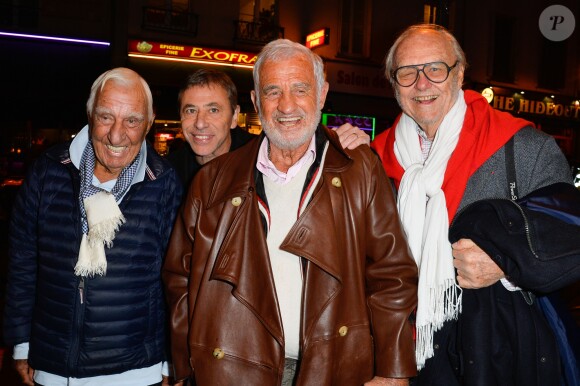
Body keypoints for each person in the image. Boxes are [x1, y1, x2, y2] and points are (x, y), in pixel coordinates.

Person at [163, 39, 418, 385]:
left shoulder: (359, 170)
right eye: (272, 92)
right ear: (255, 101)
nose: (286, 106)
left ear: (322, 94)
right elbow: (179, 281)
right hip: (232, 370)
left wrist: (392, 370)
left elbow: (392, 276)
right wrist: (183, 369)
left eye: (300, 89)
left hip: (333, 368)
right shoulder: (211, 182)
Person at [371, 24, 573, 385]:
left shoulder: (524, 147)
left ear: (460, 72)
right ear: (393, 82)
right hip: (406, 355)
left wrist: (507, 264)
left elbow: (570, 238)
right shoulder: (373, 159)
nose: (421, 84)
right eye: (407, 72)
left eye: (435, 68)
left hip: (500, 355)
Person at [3, 68, 182, 386]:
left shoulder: (165, 184)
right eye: (105, 117)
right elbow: (22, 262)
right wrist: (22, 343)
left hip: (135, 371)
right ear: (89, 114)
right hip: (54, 364)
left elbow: (174, 282)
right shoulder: (47, 172)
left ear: (149, 122)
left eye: (132, 120)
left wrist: (170, 362)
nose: (116, 135)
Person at [167, 68, 370, 194]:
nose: (200, 123)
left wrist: (343, 146)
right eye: (191, 110)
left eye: (213, 110)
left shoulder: (265, 158)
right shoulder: (166, 173)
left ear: (234, 117)